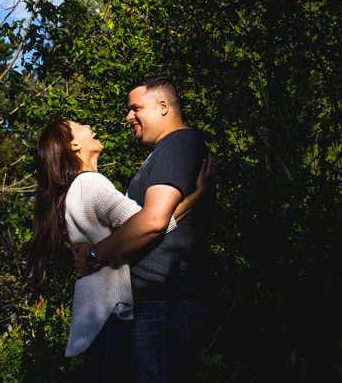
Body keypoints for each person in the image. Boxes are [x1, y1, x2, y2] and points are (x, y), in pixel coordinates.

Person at [27, 118, 211, 383]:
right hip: (107, 313)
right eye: (79, 125)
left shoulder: (77, 188)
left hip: (98, 314)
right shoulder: (90, 183)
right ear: (74, 145)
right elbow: (147, 223)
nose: (89, 125)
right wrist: (194, 199)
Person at [74, 77, 214, 383]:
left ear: (163, 107)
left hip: (165, 301)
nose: (128, 117)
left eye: (135, 108)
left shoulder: (178, 144)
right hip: (157, 303)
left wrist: (95, 256)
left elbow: (153, 220)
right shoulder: (167, 150)